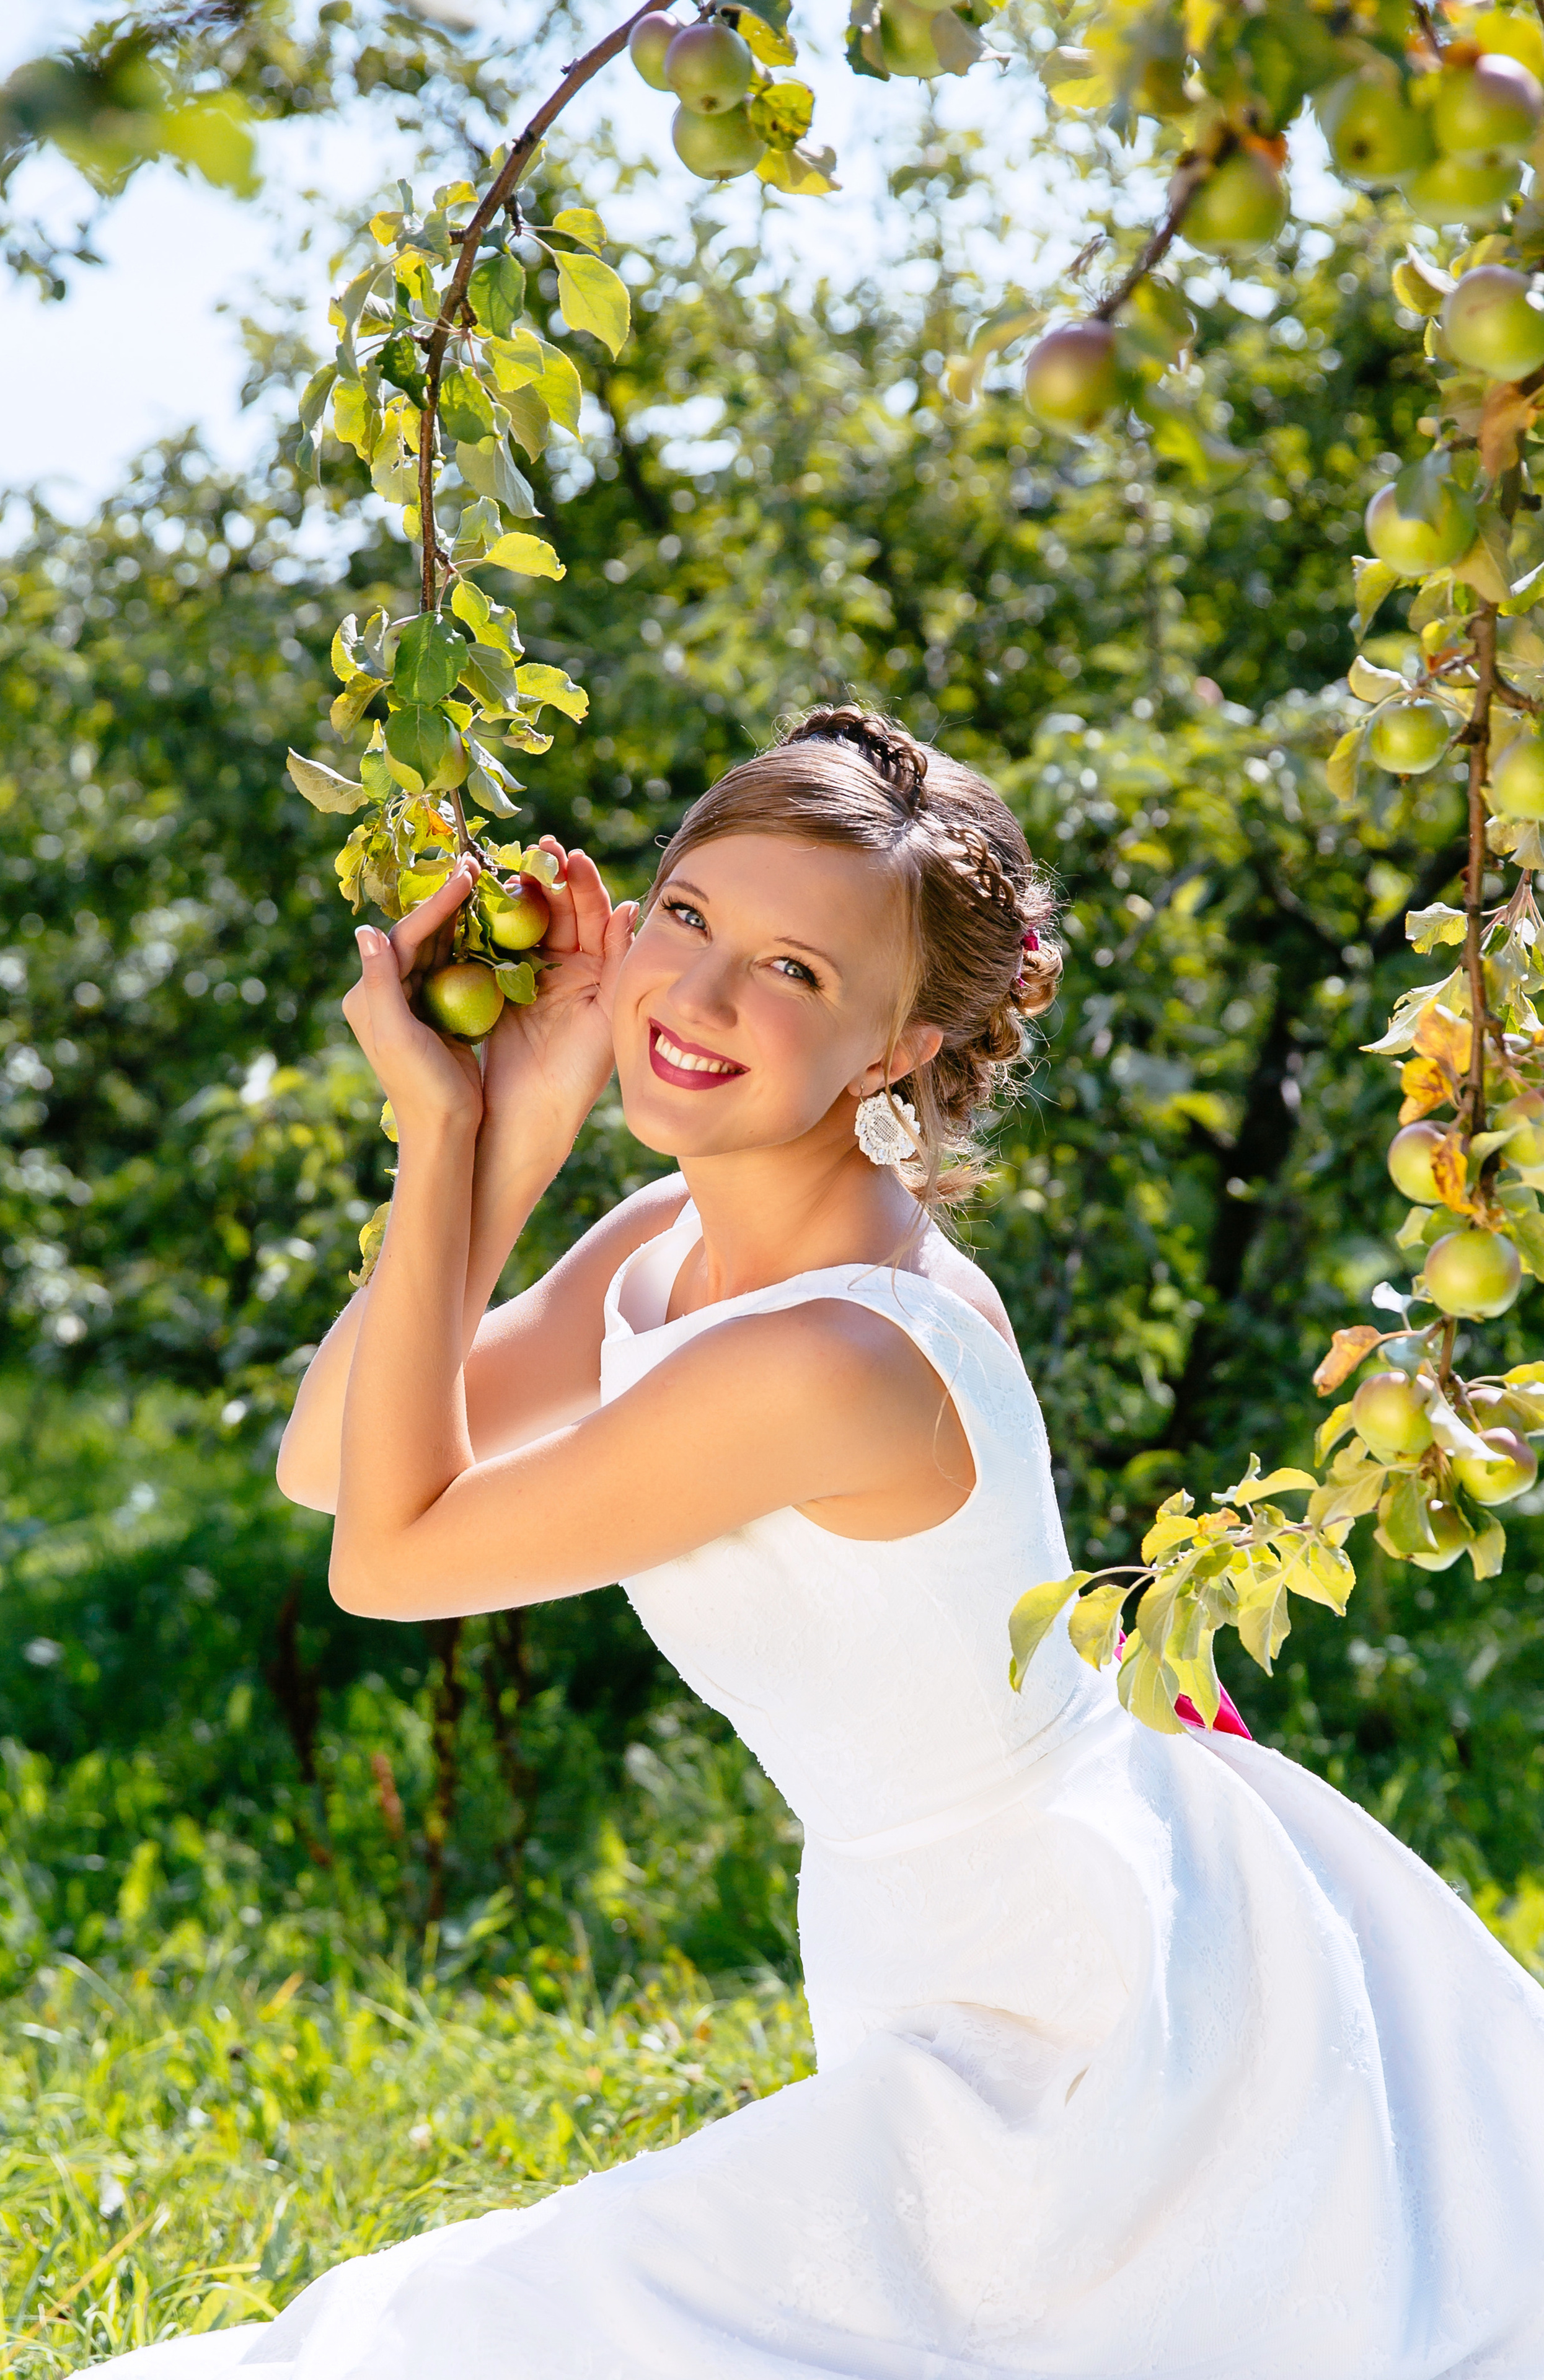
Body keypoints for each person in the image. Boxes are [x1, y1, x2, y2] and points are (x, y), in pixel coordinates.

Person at [99, 707, 1544, 2379]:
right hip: (944, 1928)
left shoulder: (831, 1356)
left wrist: (443, 1135)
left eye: (794, 973)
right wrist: (518, 1131)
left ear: (896, 1050)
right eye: (693, 919)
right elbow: (327, 1464)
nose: (700, 1000)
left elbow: (387, 1561)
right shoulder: (671, 1238)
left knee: (527, 2333)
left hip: (1064, 2007)